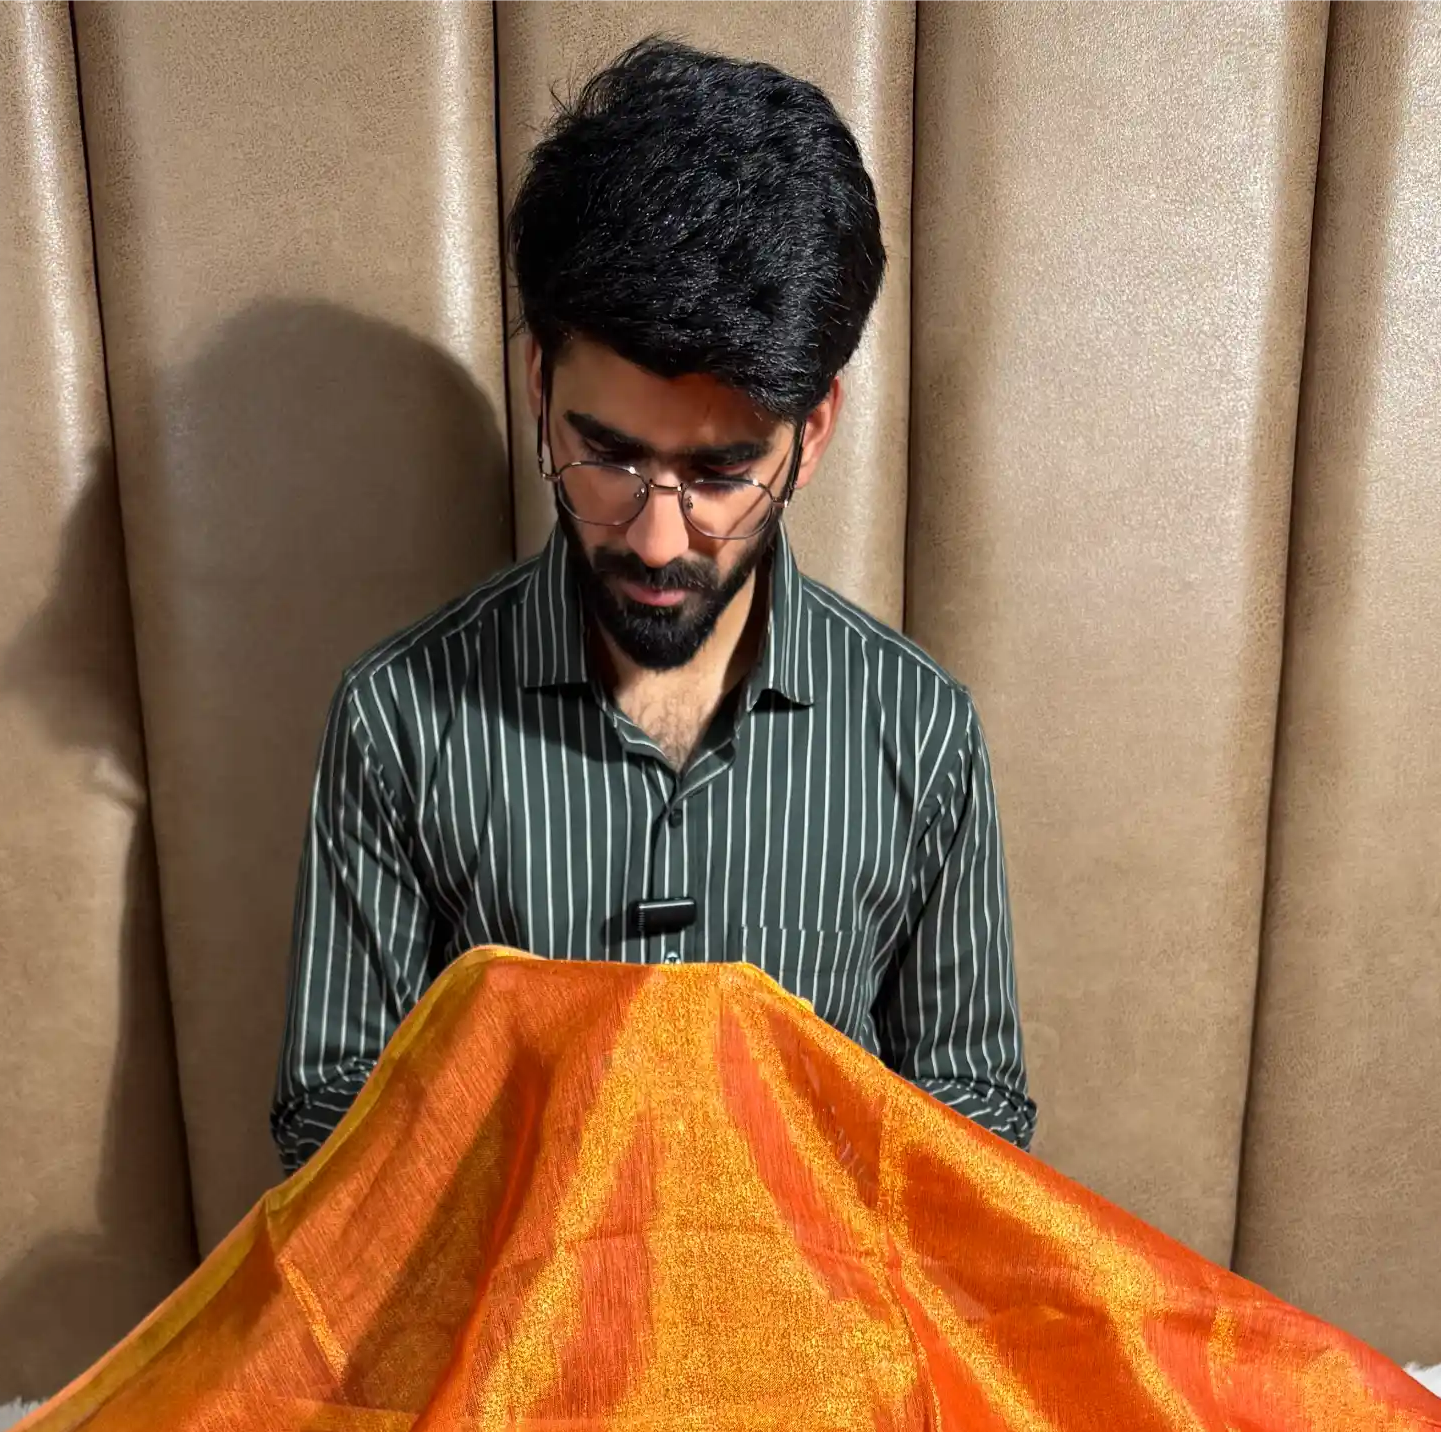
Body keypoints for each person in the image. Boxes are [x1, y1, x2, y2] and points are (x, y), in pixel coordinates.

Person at [273, 37, 1035, 1173]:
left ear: (812, 432)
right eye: (610, 455)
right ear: (542, 389)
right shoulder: (397, 720)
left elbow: (974, 1110)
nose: (657, 538)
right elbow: (329, 1117)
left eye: (722, 472)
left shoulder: (920, 731)